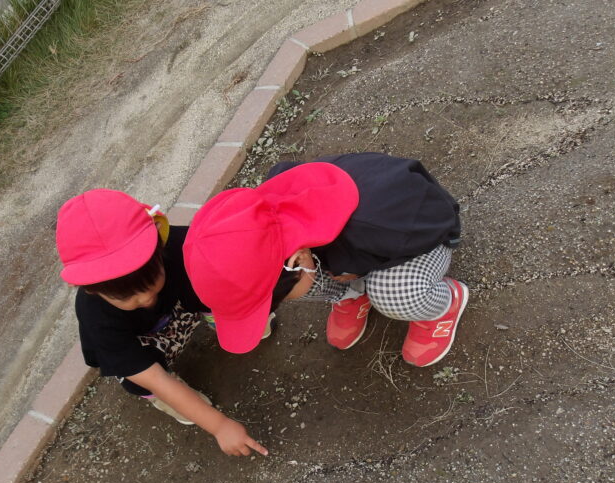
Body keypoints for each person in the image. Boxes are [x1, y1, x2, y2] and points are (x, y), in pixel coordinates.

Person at [183, 152, 468, 364]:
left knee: (391, 293)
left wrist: (362, 267)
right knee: (296, 284)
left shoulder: (377, 224)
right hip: (355, 246)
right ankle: (353, 295)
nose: (278, 306)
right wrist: (349, 265)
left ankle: (443, 305)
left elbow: (436, 224)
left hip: (424, 239)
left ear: (297, 257)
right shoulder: (267, 221)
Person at [55, 189, 268, 458]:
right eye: (127, 297)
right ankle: (168, 400)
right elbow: (153, 377)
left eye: (152, 280)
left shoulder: (178, 244)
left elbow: (226, 260)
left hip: (178, 309)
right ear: (91, 290)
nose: (145, 298)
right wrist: (218, 424)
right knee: (139, 379)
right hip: (144, 342)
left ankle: (224, 319)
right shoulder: (95, 316)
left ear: (159, 241)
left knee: (205, 277)